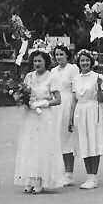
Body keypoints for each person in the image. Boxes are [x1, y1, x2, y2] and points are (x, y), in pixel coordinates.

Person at [14, 47, 63, 194]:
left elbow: (58, 100)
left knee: (42, 147)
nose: (37, 63)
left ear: (45, 62)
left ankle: (41, 180)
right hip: (30, 116)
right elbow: (23, 93)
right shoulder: (29, 76)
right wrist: (22, 99)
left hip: (44, 116)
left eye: (39, 61)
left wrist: (43, 103)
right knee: (30, 147)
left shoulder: (52, 77)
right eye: (35, 61)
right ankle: (29, 180)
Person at [69, 49, 103, 189]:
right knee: (84, 142)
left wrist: (98, 86)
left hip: (93, 111)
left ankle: (93, 177)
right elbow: (74, 100)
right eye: (82, 60)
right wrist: (70, 117)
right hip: (80, 111)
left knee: (94, 142)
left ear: (91, 62)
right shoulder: (75, 79)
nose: (84, 63)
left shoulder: (98, 76)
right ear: (78, 63)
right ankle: (88, 175)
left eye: (86, 60)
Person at [50, 43, 79, 186]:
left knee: (67, 139)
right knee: (58, 140)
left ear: (67, 55)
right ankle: (60, 173)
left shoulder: (73, 69)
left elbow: (75, 91)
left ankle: (70, 174)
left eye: (61, 54)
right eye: (57, 54)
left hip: (67, 105)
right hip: (56, 106)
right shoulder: (53, 71)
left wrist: (72, 113)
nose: (59, 57)